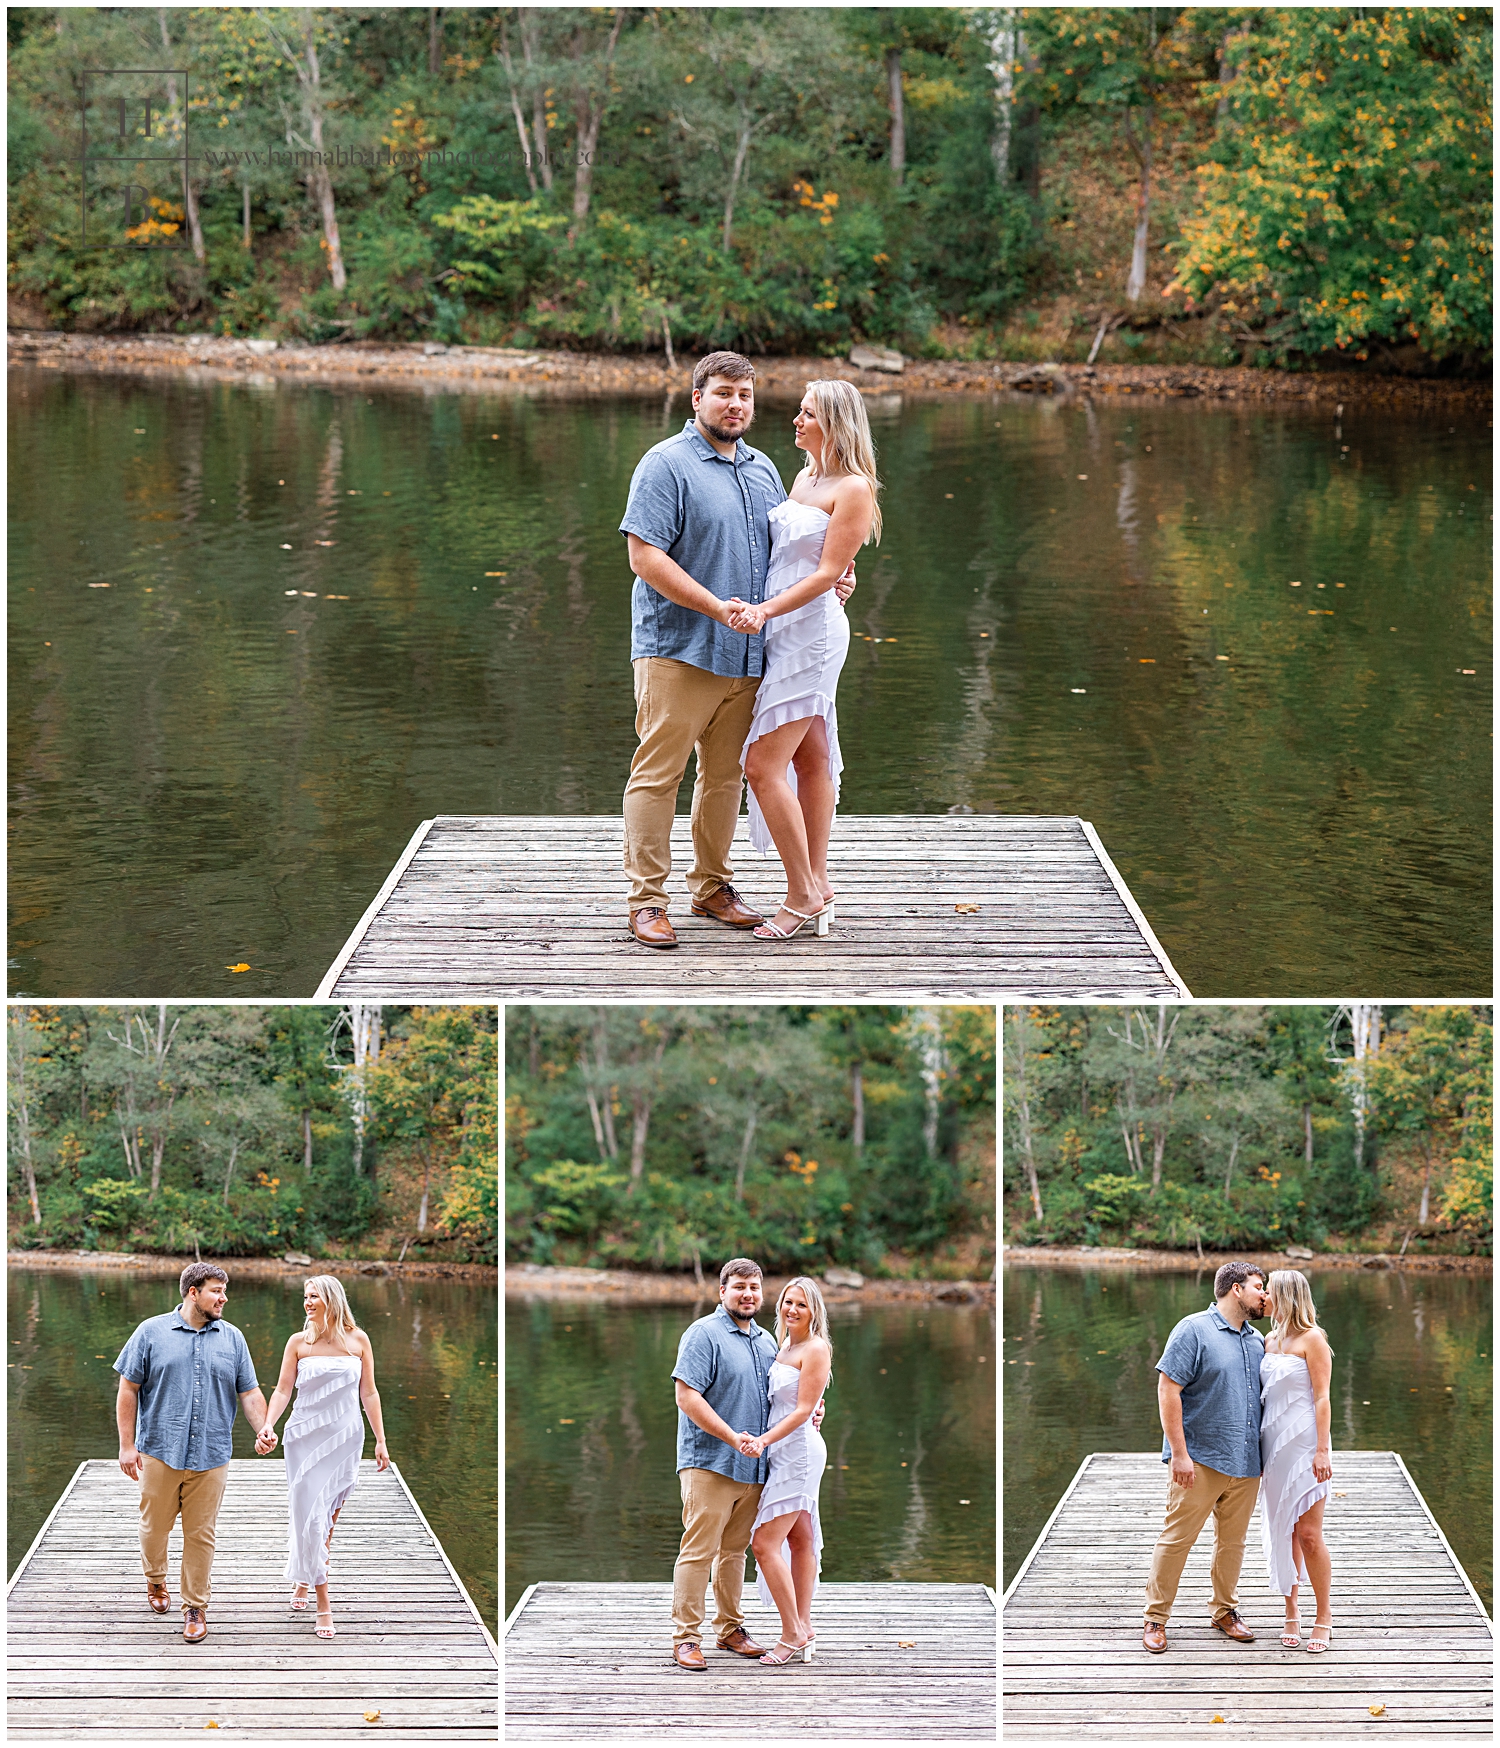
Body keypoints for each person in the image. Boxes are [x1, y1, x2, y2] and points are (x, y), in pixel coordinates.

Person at [618, 351, 854, 950]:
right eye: (723, 393)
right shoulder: (665, 464)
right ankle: (647, 901)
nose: (736, 405)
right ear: (697, 398)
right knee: (659, 775)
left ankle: (713, 888)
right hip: (679, 647)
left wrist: (838, 577)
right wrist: (715, 607)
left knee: (725, 777)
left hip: (753, 654)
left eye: (745, 395)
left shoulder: (764, 470)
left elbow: (797, 552)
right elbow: (644, 557)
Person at [726, 381, 880, 941]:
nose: (794, 419)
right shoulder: (805, 476)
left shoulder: (855, 488)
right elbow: (805, 555)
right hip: (783, 629)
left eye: (807, 413)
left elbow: (824, 574)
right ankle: (819, 878)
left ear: (835, 422)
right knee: (812, 755)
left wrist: (764, 611)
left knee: (762, 765)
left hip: (810, 633)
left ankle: (802, 895)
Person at [667, 1257, 825, 1670]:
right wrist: (731, 1437)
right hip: (711, 1461)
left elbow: (787, 1400)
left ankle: (731, 1629)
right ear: (723, 1292)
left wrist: (812, 1413)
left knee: (735, 1552)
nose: (748, 1294)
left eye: (754, 1287)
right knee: (698, 1551)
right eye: (739, 1287)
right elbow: (687, 1397)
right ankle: (686, 1637)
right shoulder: (703, 1334)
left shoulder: (769, 1342)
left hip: (757, 1467)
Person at [114, 1262, 272, 1643]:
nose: (224, 1298)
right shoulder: (151, 1332)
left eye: (224, 1291)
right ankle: (155, 1580)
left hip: (212, 1452)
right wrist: (126, 1445)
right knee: (155, 1529)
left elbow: (248, 1392)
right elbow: (128, 1389)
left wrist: (264, 1428)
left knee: (201, 1534)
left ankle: (195, 1607)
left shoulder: (233, 1338)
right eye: (216, 1290)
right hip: (159, 1450)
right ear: (193, 1292)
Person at [1141, 1261, 1268, 1654]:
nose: (1264, 1294)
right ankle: (1156, 1618)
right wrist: (1179, 1454)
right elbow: (1168, 1390)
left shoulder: (1256, 1340)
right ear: (1235, 1289)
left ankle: (1224, 1611)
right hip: (1199, 1460)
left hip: (1247, 1462)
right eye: (1258, 1287)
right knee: (1177, 1539)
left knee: (1233, 1543)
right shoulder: (1193, 1329)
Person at [255, 1275, 390, 1640]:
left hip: (345, 1438)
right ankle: (323, 1603)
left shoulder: (358, 1340)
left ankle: (304, 1578)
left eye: (313, 1296)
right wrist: (268, 1425)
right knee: (309, 1515)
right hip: (303, 1438)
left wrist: (380, 1440)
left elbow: (370, 1393)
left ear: (331, 1298)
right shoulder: (299, 1342)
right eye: (305, 1296)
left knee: (326, 1518)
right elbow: (282, 1390)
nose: (307, 1302)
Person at [740, 1277, 832, 1664]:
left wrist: (761, 1441)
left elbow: (801, 1409)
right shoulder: (785, 1345)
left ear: (814, 1312)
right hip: (783, 1450)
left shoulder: (816, 1348)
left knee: (763, 1543)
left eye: (801, 1305)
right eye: (788, 1302)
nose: (792, 1310)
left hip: (799, 1452)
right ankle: (804, 1626)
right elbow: (800, 1401)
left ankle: (792, 1630)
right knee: (800, 1539)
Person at [1258, 1269, 1334, 1654]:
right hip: (1273, 1446)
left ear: (1287, 1295)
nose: (1264, 1297)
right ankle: (1291, 1611)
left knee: (1308, 1533)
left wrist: (1322, 1449)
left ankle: (1324, 1616)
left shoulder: (1313, 1339)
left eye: (1268, 1292)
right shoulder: (1270, 1339)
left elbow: (1322, 1398)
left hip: (1306, 1443)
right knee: (1282, 1527)